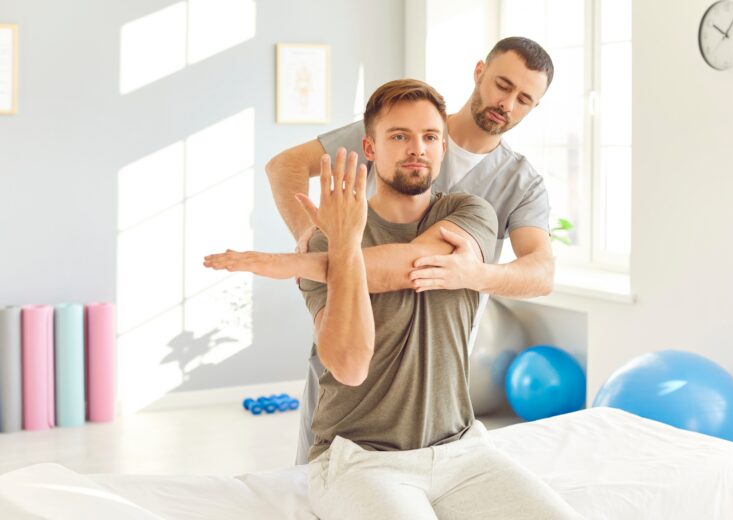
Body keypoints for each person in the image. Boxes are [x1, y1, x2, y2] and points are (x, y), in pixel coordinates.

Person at [206, 79, 580, 520]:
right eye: (399, 136)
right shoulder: (329, 240)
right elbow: (349, 364)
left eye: (429, 137)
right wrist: (341, 247)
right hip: (359, 460)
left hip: (462, 452)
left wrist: (304, 264)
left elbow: (413, 265)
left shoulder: (469, 211)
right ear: (370, 147)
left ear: (442, 149)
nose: (416, 148)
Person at [267, 36, 559, 465]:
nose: (507, 104)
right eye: (502, 85)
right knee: (322, 476)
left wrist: (476, 275)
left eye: (524, 99)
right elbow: (285, 166)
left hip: (436, 363)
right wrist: (310, 237)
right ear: (479, 72)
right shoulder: (402, 126)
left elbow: (541, 272)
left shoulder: (519, 182)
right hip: (354, 332)